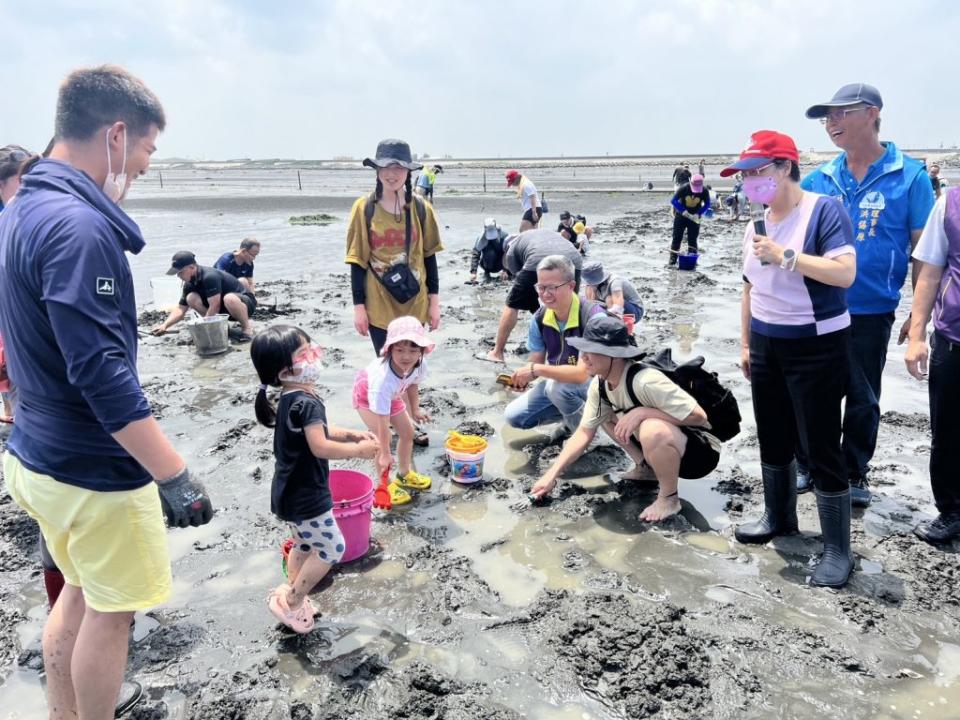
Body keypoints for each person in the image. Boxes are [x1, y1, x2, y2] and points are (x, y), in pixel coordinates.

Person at [0, 64, 214, 720]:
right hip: (94, 474)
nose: (147, 166)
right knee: (112, 613)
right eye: (148, 148)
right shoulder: (80, 229)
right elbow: (103, 377)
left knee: (78, 595)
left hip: (36, 457)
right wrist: (174, 475)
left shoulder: (22, 207)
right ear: (116, 135)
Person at [725, 130, 857, 588]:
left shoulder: (823, 210)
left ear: (785, 168)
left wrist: (787, 257)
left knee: (820, 443)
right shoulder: (755, 222)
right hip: (766, 342)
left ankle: (838, 549)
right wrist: (745, 344)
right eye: (744, 175)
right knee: (774, 434)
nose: (750, 182)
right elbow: (748, 286)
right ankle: (779, 517)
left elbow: (844, 273)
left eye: (758, 171)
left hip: (816, 343)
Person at [801, 83, 936, 504]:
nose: (831, 123)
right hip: (817, 308)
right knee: (812, 393)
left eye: (841, 113)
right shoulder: (818, 179)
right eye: (827, 117)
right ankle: (811, 466)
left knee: (862, 396)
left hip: (871, 309)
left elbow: (925, 254)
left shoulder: (910, 176)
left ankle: (854, 471)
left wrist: (918, 318)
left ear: (873, 113)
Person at [529, 314, 720, 522]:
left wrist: (644, 413)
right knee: (604, 415)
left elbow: (699, 417)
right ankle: (646, 469)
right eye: (584, 349)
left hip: (700, 453)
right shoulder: (600, 384)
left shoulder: (645, 381)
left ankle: (669, 498)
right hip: (668, 442)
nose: (583, 356)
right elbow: (584, 432)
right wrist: (551, 474)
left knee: (651, 428)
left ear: (615, 355)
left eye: (592, 351)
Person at [251, 325, 379, 633]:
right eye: (303, 354)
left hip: (288, 491)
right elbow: (319, 445)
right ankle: (294, 602)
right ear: (283, 371)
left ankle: (292, 590)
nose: (313, 357)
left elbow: (317, 430)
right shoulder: (305, 402)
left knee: (304, 542)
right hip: (307, 495)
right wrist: (358, 450)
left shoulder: (290, 398)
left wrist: (348, 432)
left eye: (311, 349)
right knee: (331, 548)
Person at [346, 139, 443, 357]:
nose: (392, 174)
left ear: (408, 171)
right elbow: (357, 261)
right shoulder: (364, 208)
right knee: (385, 366)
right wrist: (359, 308)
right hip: (378, 304)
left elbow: (429, 257)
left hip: (415, 302)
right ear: (377, 170)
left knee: (412, 366)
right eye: (386, 167)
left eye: (398, 167)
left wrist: (434, 304)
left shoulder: (421, 208)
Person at [904, 186, 960, 544]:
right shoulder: (951, 201)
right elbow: (929, 270)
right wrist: (916, 333)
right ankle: (952, 510)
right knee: (949, 430)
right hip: (954, 340)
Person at [504, 255, 604, 442]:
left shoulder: (592, 318)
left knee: (557, 388)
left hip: (598, 387)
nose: (545, 294)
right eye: (541, 287)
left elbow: (582, 374)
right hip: (561, 385)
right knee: (514, 416)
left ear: (571, 286)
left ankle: (590, 436)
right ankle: (572, 420)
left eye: (552, 288)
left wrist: (537, 370)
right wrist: (526, 377)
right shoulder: (540, 318)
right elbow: (536, 360)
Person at [353, 316, 435, 506]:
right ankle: (384, 484)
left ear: (421, 351)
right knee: (384, 440)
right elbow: (383, 419)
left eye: (413, 350)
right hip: (367, 397)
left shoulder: (420, 365)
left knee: (407, 433)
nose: (406, 356)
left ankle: (404, 474)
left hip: (394, 394)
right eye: (399, 350)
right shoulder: (382, 380)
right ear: (389, 349)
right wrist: (384, 453)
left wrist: (415, 409)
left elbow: (413, 385)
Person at [484, 229, 584, 362]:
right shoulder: (534, 235)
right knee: (567, 307)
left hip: (539, 259)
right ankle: (569, 353)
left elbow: (524, 284)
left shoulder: (511, 251)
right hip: (574, 259)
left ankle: (497, 353)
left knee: (512, 304)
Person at [150, 251, 257, 339]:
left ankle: (246, 327)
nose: (178, 276)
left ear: (192, 267)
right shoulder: (189, 284)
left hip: (245, 305)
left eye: (181, 272)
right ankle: (220, 326)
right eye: (177, 273)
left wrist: (204, 326)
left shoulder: (209, 276)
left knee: (229, 298)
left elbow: (215, 306)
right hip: (224, 308)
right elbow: (180, 309)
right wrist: (165, 325)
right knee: (191, 298)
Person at [669, 173, 711, 265]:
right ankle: (672, 260)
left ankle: (692, 260)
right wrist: (683, 211)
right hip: (681, 216)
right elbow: (673, 200)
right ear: (691, 183)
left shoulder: (704, 191)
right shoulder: (684, 188)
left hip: (695, 218)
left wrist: (699, 213)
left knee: (692, 239)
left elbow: (707, 204)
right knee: (677, 238)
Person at [468, 218, 509, 283]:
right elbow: (475, 254)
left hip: (501, 262)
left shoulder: (504, 235)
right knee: (490, 253)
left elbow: (508, 253)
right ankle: (487, 272)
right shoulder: (480, 238)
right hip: (487, 263)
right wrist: (473, 272)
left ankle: (507, 272)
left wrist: (505, 270)